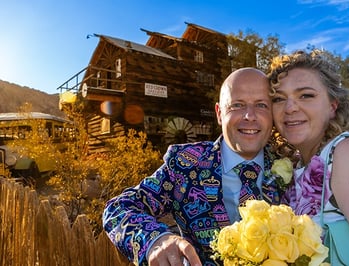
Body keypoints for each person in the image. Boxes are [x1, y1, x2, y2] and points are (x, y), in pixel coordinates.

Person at [102, 67, 285, 266]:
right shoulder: (184, 164)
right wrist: (155, 239)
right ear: (219, 113)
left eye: (261, 105)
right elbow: (118, 209)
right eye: (237, 105)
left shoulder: (294, 168)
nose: (250, 115)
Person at [267, 50, 349, 265]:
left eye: (306, 95)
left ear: (332, 106)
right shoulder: (299, 166)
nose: (290, 108)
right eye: (279, 99)